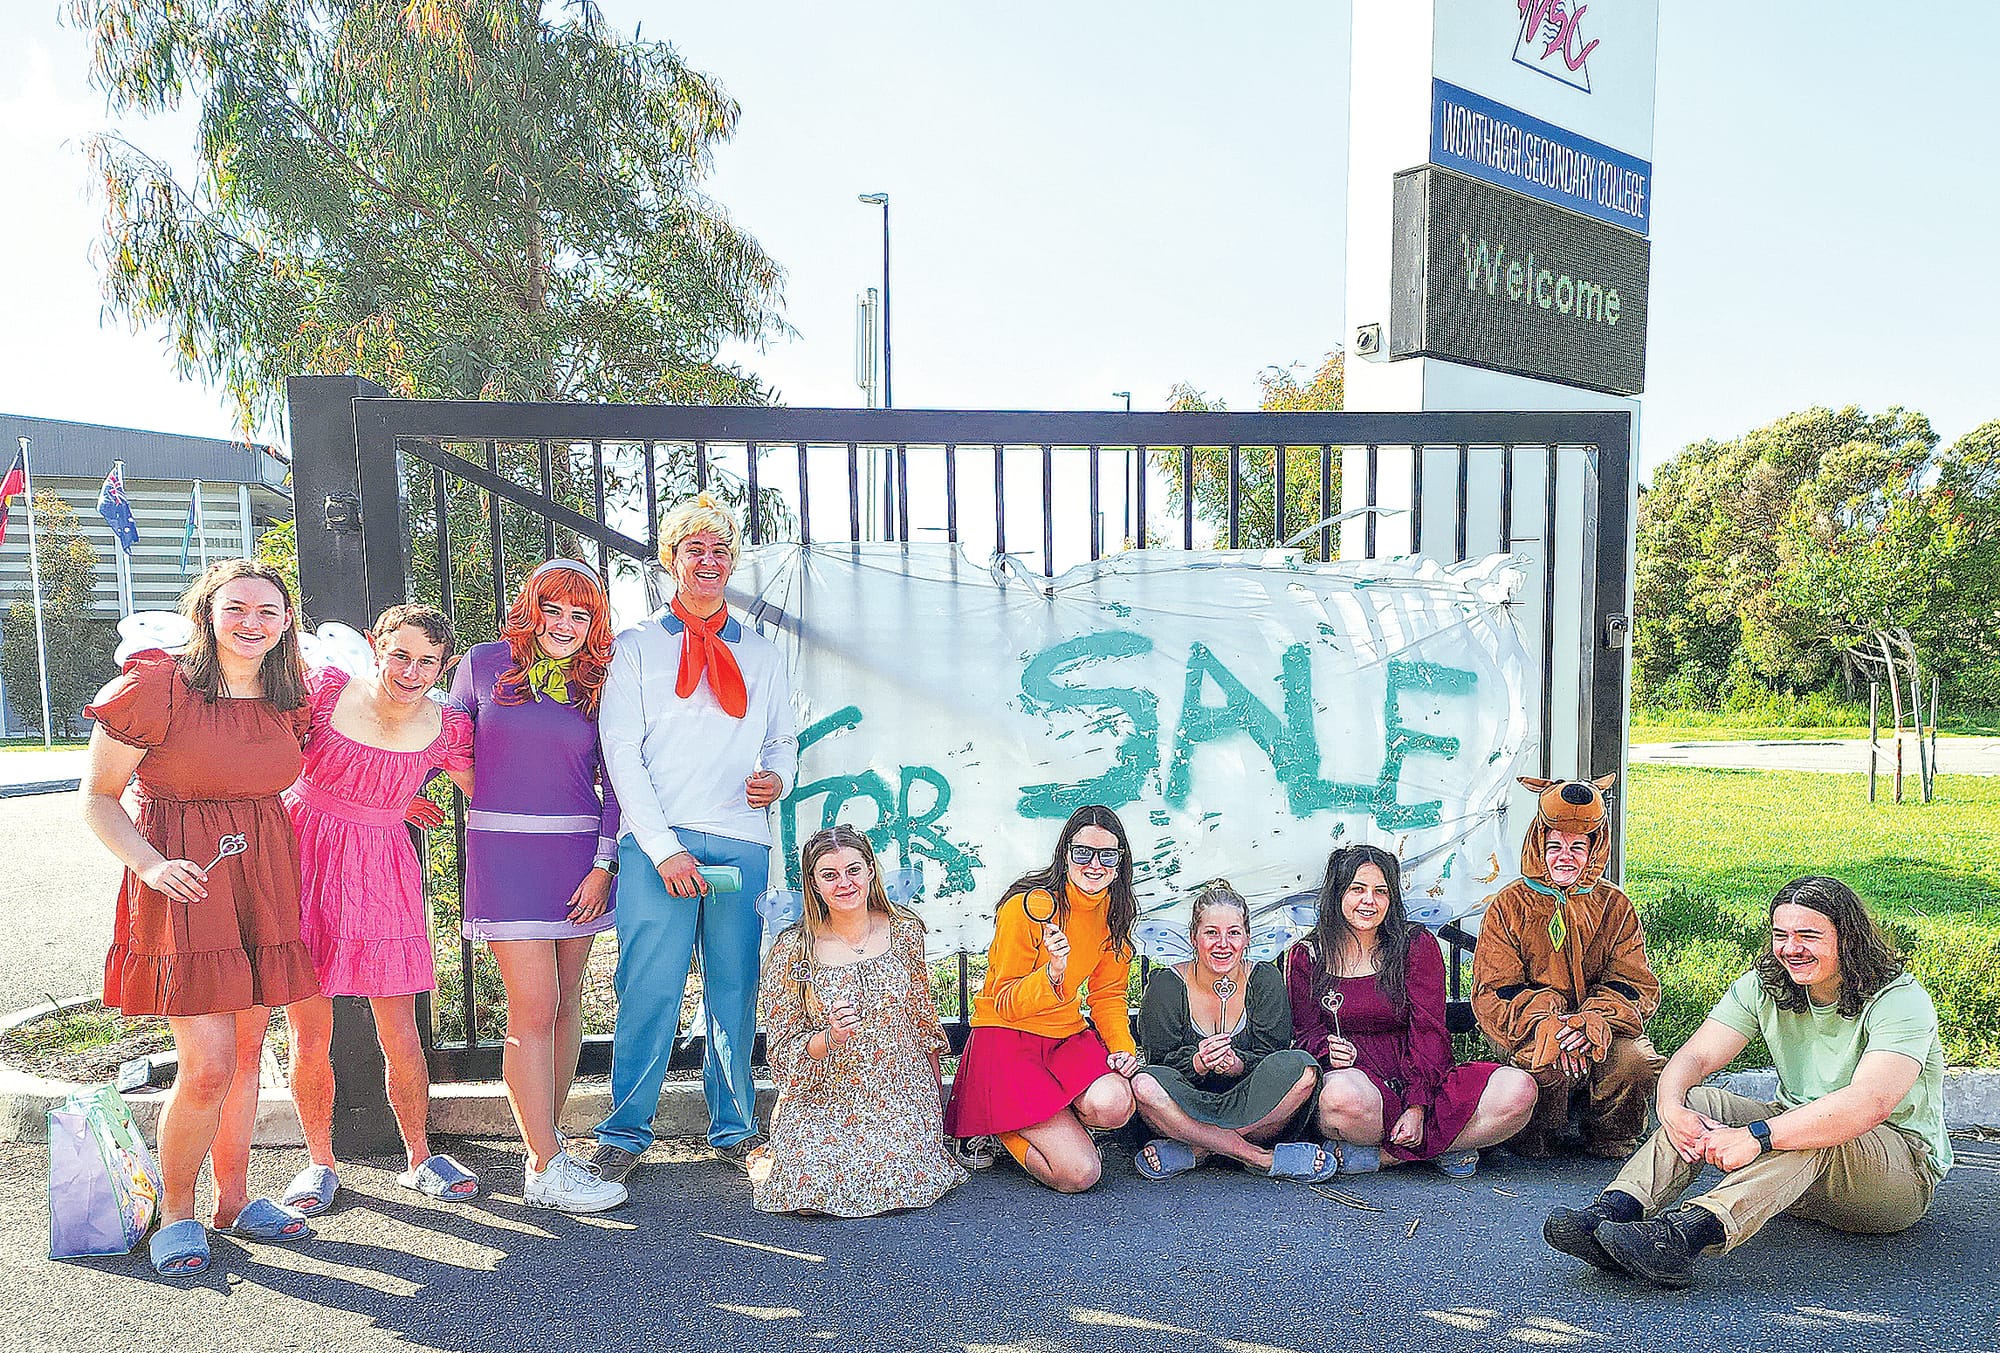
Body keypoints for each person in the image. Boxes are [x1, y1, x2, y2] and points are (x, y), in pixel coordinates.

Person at [81, 559, 322, 1276]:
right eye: (237, 607)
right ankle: (179, 1212)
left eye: (268, 611)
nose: (252, 622)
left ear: (285, 623)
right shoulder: (157, 686)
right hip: (185, 881)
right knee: (210, 1063)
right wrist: (150, 864)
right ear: (206, 611)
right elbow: (97, 797)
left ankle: (236, 1200)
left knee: (249, 1052)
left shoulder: (288, 693)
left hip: (262, 878)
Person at [1544, 877, 1953, 1289]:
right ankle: (1615, 1212)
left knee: (1818, 1128)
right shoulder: (1767, 984)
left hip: (1896, 1171)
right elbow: (1695, 1057)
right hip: (1797, 1172)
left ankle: (1685, 1236)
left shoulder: (1899, 999)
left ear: (1847, 938)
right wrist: (1670, 1108)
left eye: (1807, 935)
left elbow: (1869, 1103)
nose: (1791, 949)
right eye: (1781, 935)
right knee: (1700, 1101)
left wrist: (1757, 1136)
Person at [590, 496, 797, 1183]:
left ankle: (734, 1126)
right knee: (647, 986)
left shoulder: (763, 654)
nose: (708, 562)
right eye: (693, 550)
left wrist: (780, 778)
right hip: (660, 844)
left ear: (731, 561)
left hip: (740, 838)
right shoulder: (637, 645)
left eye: (719, 551)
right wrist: (660, 846)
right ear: (670, 560)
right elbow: (620, 751)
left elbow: (780, 740)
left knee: (735, 988)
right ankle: (625, 1130)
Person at [282, 604, 478, 1211]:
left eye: (428, 662)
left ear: (442, 668)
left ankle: (419, 1155)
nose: (412, 671)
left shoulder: (446, 726)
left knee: (401, 1030)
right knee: (310, 1033)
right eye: (400, 654)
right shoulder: (325, 690)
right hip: (304, 858)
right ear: (375, 645)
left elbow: (490, 787)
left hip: (383, 872)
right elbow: (265, 754)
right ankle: (319, 1162)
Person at [444, 560, 625, 1213]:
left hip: (580, 860)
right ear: (532, 608)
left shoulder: (600, 679)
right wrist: (467, 793)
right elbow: (441, 739)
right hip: (506, 858)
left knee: (569, 1000)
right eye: (555, 609)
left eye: (581, 615)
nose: (567, 625)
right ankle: (548, 1165)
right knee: (535, 1006)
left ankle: (543, 1152)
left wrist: (604, 864)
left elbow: (618, 782)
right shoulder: (483, 663)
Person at [751, 824, 969, 1215]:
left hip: (897, 1086)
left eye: (853, 870)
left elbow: (922, 1016)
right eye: (829, 875)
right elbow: (782, 1050)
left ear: (870, 870)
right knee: (810, 1192)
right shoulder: (793, 950)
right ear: (814, 884)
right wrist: (829, 1038)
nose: (844, 883)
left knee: (897, 1180)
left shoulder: (904, 931)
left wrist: (935, 1103)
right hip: (825, 1091)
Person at [1289, 845, 1538, 1176]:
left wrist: (1418, 1106)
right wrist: (1325, 1048)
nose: (1370, 901)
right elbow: (1303, 1036)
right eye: (1357, 889)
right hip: (1362, 1092)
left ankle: (1384, 1157)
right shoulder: (1308, 956)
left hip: (1424, 1078)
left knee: (1520, 1090)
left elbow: (1429, 1030)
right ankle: (1451, 1145)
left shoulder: (1415, 946)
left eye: (1381, 891)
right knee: (1337, 1099)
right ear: (1337, 892)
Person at [944, 805, 1140, 1193]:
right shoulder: (1025, 908)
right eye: (1082, 852)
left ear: (1120, 864)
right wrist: (1051, 973)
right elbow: (1003, 1000)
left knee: (1116, 1104)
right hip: (1006, 1037)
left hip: (1063, 1036)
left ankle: (1045, 1116)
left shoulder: (1113, 912)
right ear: (1065, 854)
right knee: (1080, 1174)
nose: (1094, 864)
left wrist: (1121, 1045)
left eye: (1107, 855)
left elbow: (1108, 994)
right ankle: (996, 1126)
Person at [1472, 775, 1665, 1158]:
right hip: (1531, 1024)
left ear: (1595, 851)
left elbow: (1633, 982)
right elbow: (1496, 990)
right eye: (1555, 846)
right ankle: (1535, 1135)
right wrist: (1552, 1024)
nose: (1565, 857)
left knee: (1636, 1062)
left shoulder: (1614, 905)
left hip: (1601, 1023)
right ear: (1538, 846)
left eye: (1578, 847)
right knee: (1542, 1060)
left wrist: (1591, 1022)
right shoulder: (1509, 905)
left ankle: (1612, 1135)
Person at [1129, 880, 1327, 1182]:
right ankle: (1259, 1157)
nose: (1223, 943)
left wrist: (1238, 1065)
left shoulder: (1264, 979)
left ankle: (1198, 1150)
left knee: (1303, 1069)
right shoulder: (1167, 985)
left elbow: (1273, 1057)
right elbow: (1159, 1062)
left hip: (1250, 1102)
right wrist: (1198, 1062)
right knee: (1143, 1085)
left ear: (1247, 938)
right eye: (1211, 933)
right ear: (1194, 937)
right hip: (1187, 1101)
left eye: (1233, 933)